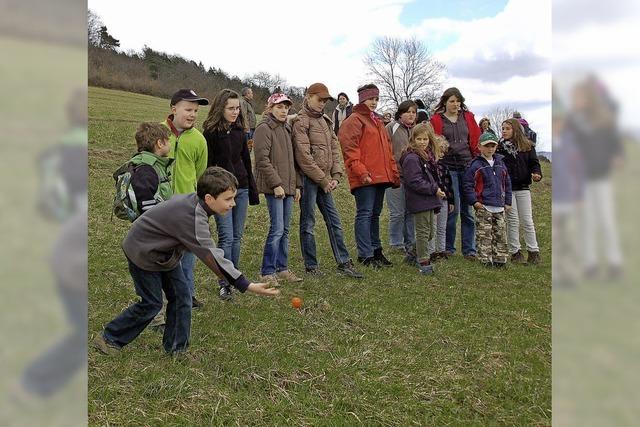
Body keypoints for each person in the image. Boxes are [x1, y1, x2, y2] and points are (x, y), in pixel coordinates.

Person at [93, 167, 280, 356]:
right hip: (142, 252)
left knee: (182, 297)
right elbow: (211, 255)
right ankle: (108, 338)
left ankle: (176, 349)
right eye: (228, 199)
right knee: (152, 303)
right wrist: (245, 284)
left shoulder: (198, 204)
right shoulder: (192, 218)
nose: (233, 204)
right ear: (209, 198)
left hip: (165, 255)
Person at [291, 82, 363, 278]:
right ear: (308, 96)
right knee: (308, 223)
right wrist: (323, 180)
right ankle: (311, 266)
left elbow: (334, 149)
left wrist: (337, 176)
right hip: (308, 180)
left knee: (335, 221)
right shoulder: (300, 121)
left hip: (325, 180)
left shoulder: (325, 121)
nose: (322, 103)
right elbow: (303, 157)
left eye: (325, 100)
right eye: (319, 99)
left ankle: (343, 261)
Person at [202, 88, 259, 301]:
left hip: (241, 188)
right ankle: (224, 282)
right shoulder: (210, 132)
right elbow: (208, 166)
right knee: (225, 237)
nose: (235, 112)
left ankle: (234, 276)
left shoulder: (240, 132)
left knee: (237, 236)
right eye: (230, 108)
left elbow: (246, 160)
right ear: (220, 108)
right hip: (220, 192)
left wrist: (252, 190)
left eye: (237, 108)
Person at [338, 83, 400, 268]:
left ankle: (376, 250)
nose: (374, 102)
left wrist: (393, 173)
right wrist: (361, 172)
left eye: (376, 99)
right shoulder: (354, 120)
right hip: (365, 176)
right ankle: (365, 254)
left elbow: (387, 151)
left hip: (380, 176)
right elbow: (350, 149)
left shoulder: (378, 121)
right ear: (362, 99)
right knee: (364, 213)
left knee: (375, 214)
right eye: (370, 99)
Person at [162, 88, 209, 307]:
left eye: (196, 111)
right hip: (161, 206)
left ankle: (187, 295)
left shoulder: (199, 140)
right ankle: (164, 300)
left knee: (188, 253)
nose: (192, 114)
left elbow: (200, 172)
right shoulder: (159, 134)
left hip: (187, 205)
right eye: (188, 109)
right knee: (163, 255)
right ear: (174, 109)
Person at [254, 93, 303, 285]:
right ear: (270, 108)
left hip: (289, 188)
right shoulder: (264, 128)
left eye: (286, 107)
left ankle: (282, 268)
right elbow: (262, 160)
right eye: (279, 107)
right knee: (277, 229)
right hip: (275, 188)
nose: (283, 111)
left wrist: (297, 185)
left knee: (285, 230)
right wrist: (276, 184)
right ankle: (267, 271)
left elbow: (293, 161)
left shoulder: (287, 129)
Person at [430, 87, 481, 260]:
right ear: (445, 102)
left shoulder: (468, 117)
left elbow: (475, 139)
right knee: (453, 209)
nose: (456, 104)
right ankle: (449, 247)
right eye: (452, 101)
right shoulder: (437, 120)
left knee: (468, 209)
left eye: (458, 101)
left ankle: (469, 250)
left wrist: (477, 162)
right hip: (448, 167)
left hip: (467, 166)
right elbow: (434, 142)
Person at [399, 123, 445, 275]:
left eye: (425, 139)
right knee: (423, 232)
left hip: (428, 199)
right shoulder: (412, 158)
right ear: (413, 139)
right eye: (419, 139)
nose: (422, 142)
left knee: (430, 232)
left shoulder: (426, 156)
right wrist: (434, 189)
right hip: (419, 200)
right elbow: (414, 181)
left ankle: (412, 253)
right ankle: (423, 261)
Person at [463, 132, 512, 267]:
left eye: (493, 146)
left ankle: (500, 259)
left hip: (500, 206)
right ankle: (485, 259)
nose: (490, 149)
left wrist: (508, 201)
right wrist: (474, 201)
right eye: (487, 146)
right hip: (484, 206)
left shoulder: (501, 163)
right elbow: (468, 185)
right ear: (480, 147)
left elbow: (507, 183)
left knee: (500, 234)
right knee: (485, 235)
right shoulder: (475, 165)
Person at [498, 118, 542, 265]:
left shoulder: (527, 147)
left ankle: (533, 251)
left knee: (527, 220)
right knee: (513, 220)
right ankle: (515, 252)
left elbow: (534, 163)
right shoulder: (499, 148)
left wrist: (536, 173)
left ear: (515, 130)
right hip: (508, 189)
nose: (504, 131)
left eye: (507, 128)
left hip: (523, 187)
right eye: (503, 128)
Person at [385, 100, 417, 256]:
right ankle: (396, 242)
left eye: (413, 112)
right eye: (408, 112)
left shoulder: (417, 131)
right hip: (394, 176)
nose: (411, 115)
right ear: (400, 113)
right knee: (397, 212)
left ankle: (410, 242)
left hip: (413, 178)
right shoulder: (391, 127)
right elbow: (384, 150)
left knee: (410, 212)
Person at [428, 135, 455, 261]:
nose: (442, 154)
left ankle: (441, 250)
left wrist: (451, 200)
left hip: (444, 199)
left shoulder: (444, 167)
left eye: (444, 151)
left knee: (441, 226)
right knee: (432, 227)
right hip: (432, 199)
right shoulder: (428, 165)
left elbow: (449, 185)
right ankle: (431, 251)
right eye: (440, 150)